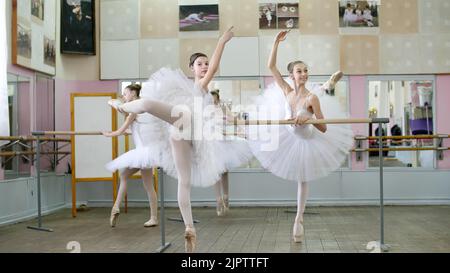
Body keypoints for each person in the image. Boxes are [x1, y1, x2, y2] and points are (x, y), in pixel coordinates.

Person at [116, 27, 252, 252]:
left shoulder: (202, 87)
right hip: (182, 131)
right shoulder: (194, 86)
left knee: (149, 106)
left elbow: (215, 69)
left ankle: (122, 106)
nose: (205, 66)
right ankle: (189, 227)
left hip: (192, 130)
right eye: (200, 64)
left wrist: (222, 42)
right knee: (184, 181)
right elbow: (216, 68)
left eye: (206, 63)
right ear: (191, 68)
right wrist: (222, 41)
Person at [248, 30, 354, 243]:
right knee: (297, 174)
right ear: (291, 75)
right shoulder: (287, 91)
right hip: (288, 135)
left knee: (302, 179)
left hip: (307, 137)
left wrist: (311, 120)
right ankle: (328, 85)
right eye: (299, 71)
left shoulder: (311, 98)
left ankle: (299, 218)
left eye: (306, 71)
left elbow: (324, 128)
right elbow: (271, 67)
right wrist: (275, 43)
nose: (304, 74)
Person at [103, 84, 158, 229]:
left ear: (133, 93)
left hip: (142, 153)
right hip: (145, 153)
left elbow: (121, 130)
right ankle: (117, 208)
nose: (123, 96)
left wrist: (108, 134)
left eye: (125, 93)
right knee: (129, 177)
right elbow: (134, 128)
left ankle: (116, 208)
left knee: (132, 179)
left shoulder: (135, 109)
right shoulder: (141, 109)